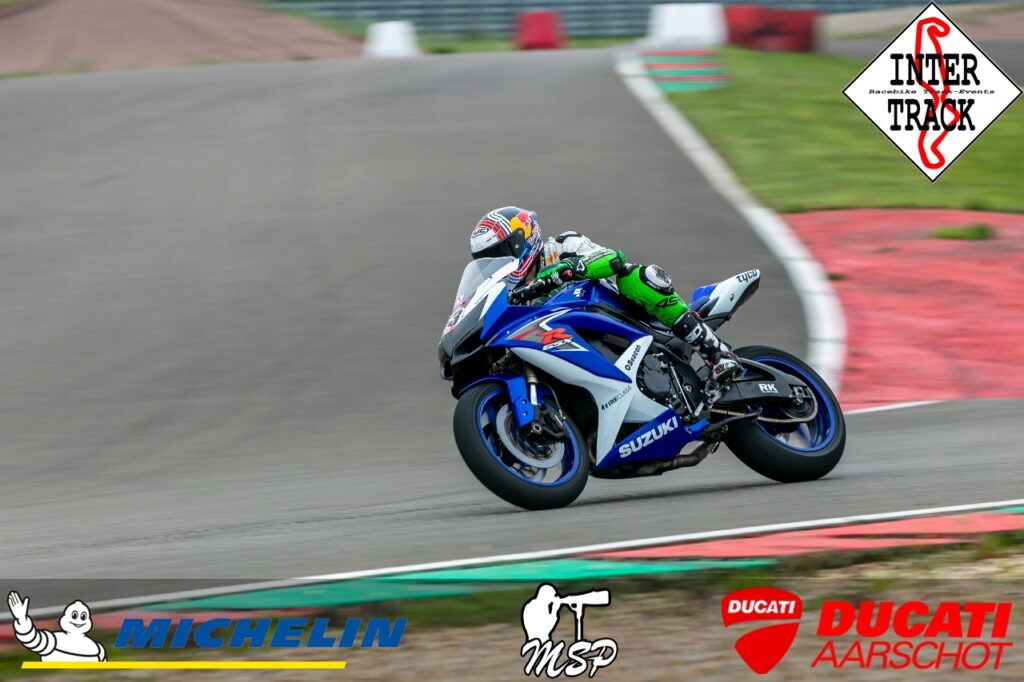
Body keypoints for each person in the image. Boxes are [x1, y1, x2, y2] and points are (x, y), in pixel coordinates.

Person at [469, 206, 739, 383]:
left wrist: (569, 268)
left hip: (618, 315)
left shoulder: (561, 246)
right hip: (573, 346)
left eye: (501, 252)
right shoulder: (512, 297)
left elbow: (612, 258)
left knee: (634, 277)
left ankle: (716, 352)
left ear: (523, 241)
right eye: (489, 259)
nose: (498, 262)